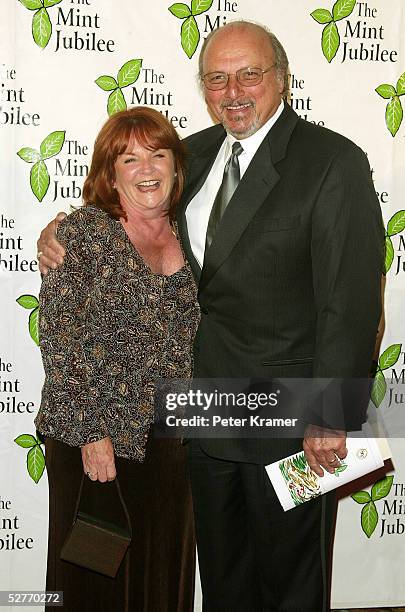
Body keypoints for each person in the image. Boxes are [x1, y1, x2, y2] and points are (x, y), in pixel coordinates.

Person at [38, 21, 384, 612]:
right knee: (224, 584)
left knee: (293, 585)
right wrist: (58, 234)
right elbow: (124, 206)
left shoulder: (332, 162)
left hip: (292, 421)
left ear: (282, 78)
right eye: (217, 78)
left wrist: (330, 415)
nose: (234, 90)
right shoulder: (192, 154)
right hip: (201, 421)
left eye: (250, 74)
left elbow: (351, 300)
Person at [35, 106, 200, 612]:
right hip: (97, 444)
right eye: (129, 159)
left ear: (176, 166)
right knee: (94, 581)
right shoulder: (83, 234)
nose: (146, 169)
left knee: (161, 576)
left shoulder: (194, 234)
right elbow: (61, 334)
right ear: (110, 173)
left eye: (157, 155)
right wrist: (91, 433)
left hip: (173, 445)